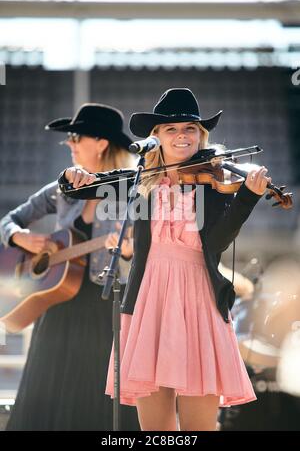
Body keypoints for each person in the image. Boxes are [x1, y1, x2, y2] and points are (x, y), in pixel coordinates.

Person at [58, 89, 271, 431]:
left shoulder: (212, 182)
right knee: (155, 431)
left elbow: (216, 242)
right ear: (155, 136)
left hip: (199, 300)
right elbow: (87, 187)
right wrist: (71, 176)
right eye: (171, 129)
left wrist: (247, 198)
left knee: (197, 429)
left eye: (190, 128)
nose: (182, 135)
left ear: (200, 134)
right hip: (148, 302)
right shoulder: (142, 181)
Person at [0, 103, 139, 431]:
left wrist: (130, 252)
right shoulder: (63, 190)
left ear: (102, 142)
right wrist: (20, 238)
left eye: (76, 136)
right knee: (48, 394)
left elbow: (141, 254)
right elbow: (8, 220)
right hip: (56, 306)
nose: (69, 144)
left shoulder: (134, 191)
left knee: (97, 397)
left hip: (104, 308)